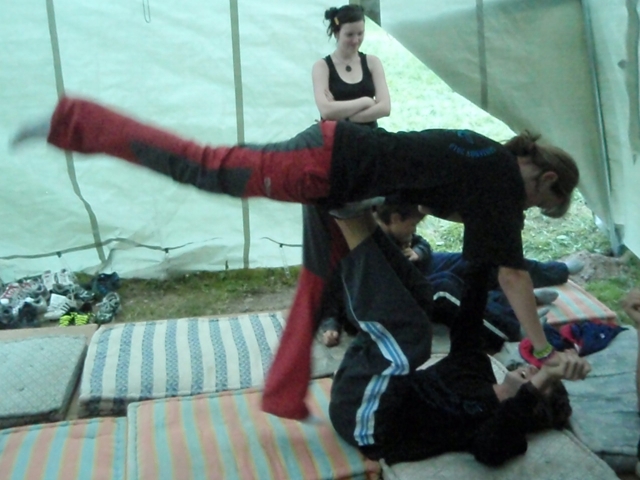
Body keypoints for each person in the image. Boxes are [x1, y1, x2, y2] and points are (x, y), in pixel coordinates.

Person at [11, 95, 581, 420]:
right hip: (325, 165)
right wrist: (540, 347)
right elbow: (510, 272)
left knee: (318, 280)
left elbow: (449, 210)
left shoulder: (485, 156)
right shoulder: (502, 182)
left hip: (340, 179)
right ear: (547, 180)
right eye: (541, 204)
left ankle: (284, 394)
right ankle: (75, 121)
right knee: (205, 165)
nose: (529, 211)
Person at [328, 211, 590, 465]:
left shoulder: (492, 426)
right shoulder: (477, 369)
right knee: (422, 294)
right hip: (363, 386)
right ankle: (350, 215)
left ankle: (348, 223)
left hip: (367, 424)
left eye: (541, 382)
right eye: (540, 372)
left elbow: (492, 449)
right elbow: (470, 317)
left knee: (411, 334)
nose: (535, 370)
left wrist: (546, 377)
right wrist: (481, 242)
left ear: (533, 406)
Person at [305, 4, 390, 349]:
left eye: (360, 34)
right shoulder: (322, 67)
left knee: (369, 231)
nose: (356, 40)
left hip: (369, 154)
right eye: (349, 34)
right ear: (336, 32)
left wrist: (344, 114)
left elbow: (385, 107)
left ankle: (365, 309)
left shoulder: (373, 62)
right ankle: (330, 312)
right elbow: (325, 110)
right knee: (329, 235)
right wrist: (364, 100)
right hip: (335, 155)